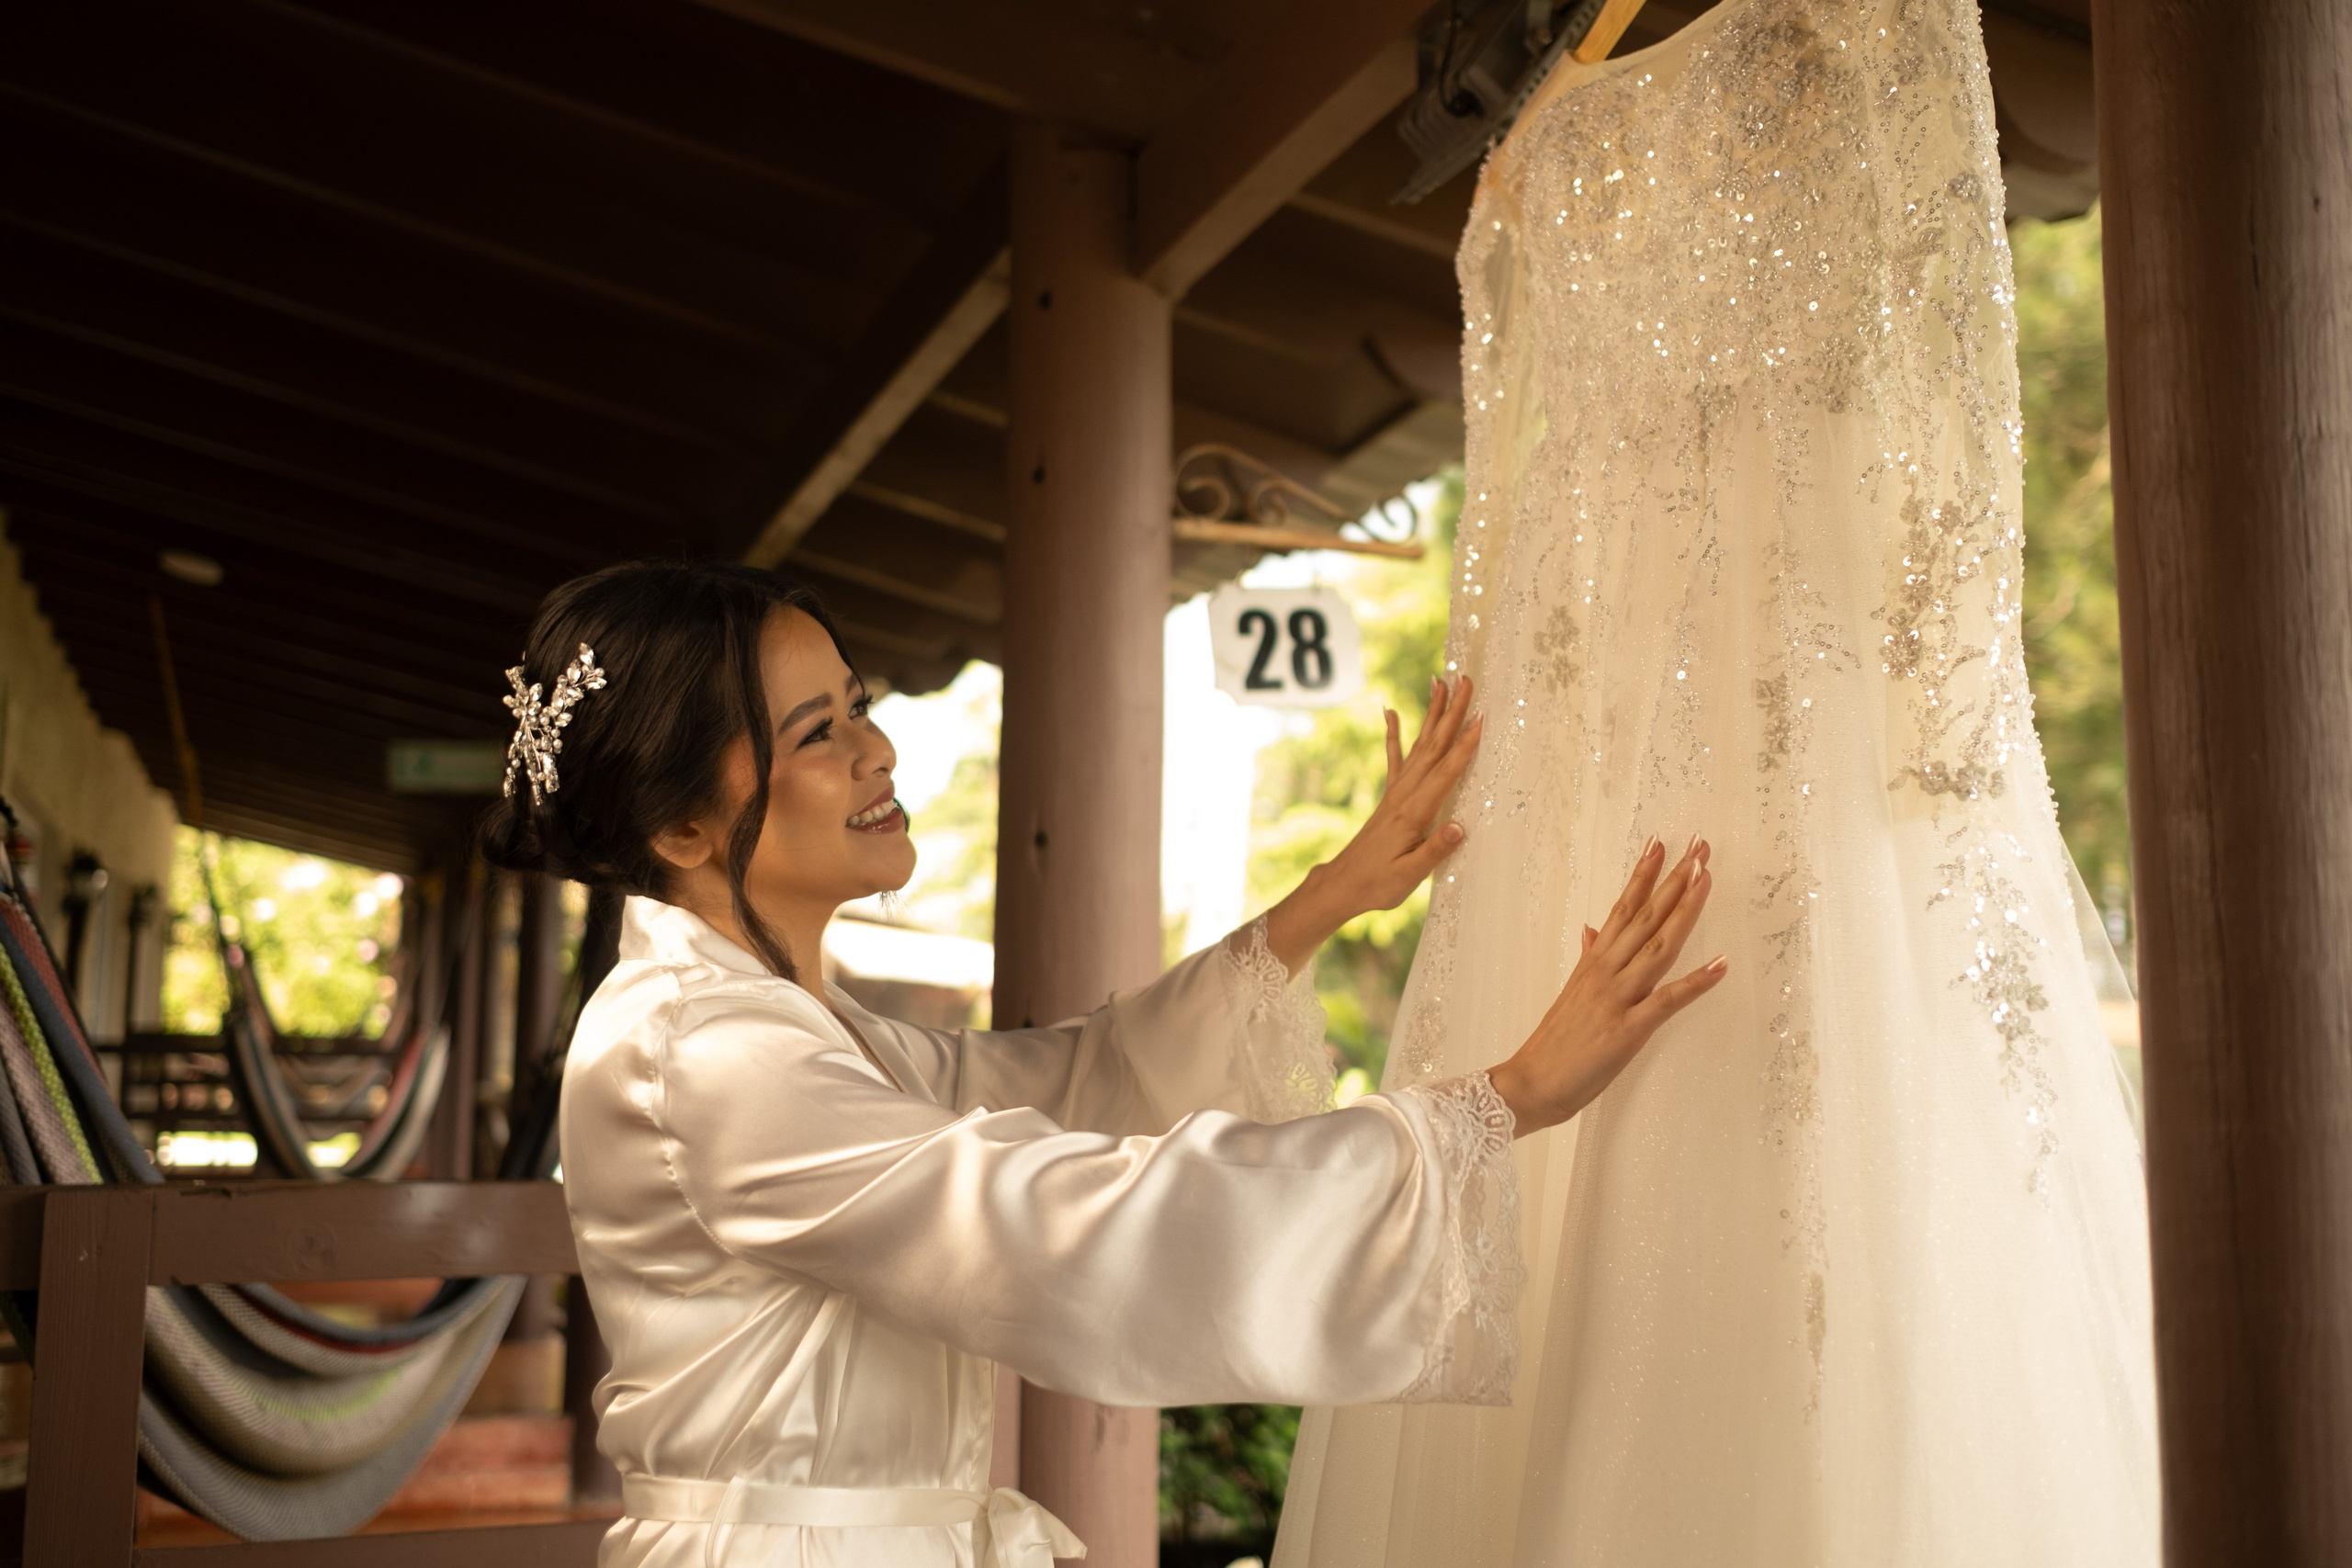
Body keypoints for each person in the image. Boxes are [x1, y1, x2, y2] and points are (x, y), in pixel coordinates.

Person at [481, 559, 1723, 1567]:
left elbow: (1057, 1088)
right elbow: (1047, 1219)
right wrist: (1501, 1102)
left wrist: (1327, 899)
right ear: (683, 826)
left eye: (861, 704)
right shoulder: (704, 1054)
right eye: (818, 731)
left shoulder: (774, 1022)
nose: (879, 754)